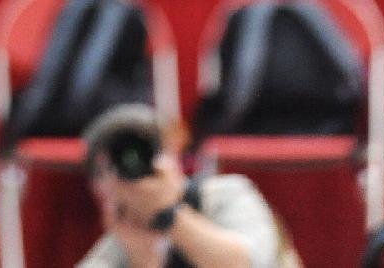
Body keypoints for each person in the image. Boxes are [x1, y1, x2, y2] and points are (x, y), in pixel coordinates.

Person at [77, 104, 300, 267]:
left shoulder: (226, 195)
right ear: (96, 185)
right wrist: (143, 261)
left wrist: (169, 216)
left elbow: (249, 263)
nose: (136, 176)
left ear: (173, 156)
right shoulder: (119, 243)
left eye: (147, 156)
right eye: (111, 170)